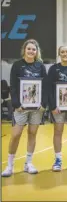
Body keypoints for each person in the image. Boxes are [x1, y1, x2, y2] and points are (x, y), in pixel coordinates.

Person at [2, 39, 48, 177]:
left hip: (36, 108)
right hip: (21, 107)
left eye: (34, 49)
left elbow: (45, 87)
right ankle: (9, 165)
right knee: (16, 135)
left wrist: (43, 104)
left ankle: (28, 163)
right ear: (24, 50)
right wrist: (16, 104)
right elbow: (13, 86)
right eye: (29, 49)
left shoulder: (40, 66)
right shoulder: (17, 65)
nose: (31, 51)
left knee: (32, 134)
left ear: (36, 52)